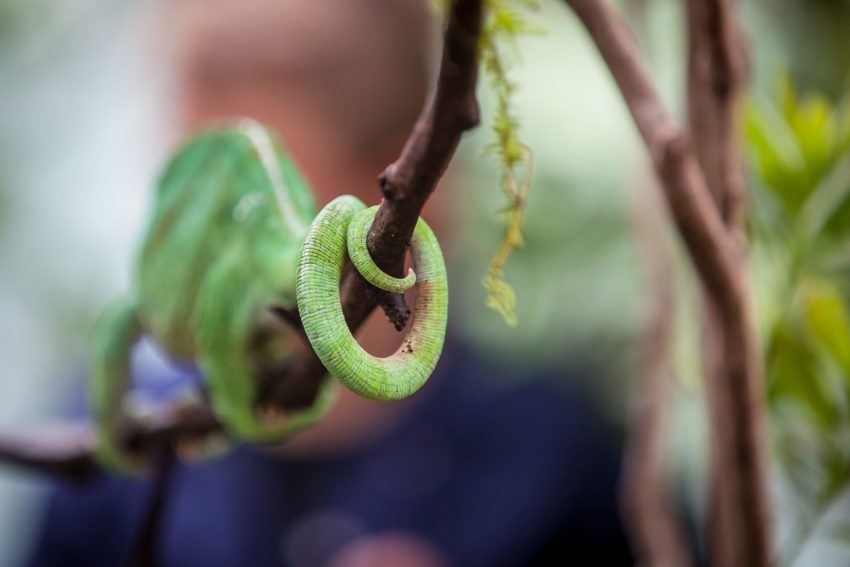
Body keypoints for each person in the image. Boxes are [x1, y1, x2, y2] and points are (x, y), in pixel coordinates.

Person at [28, 1, 632, 565]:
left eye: (239, 208)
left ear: (405, 179)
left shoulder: (546, 456)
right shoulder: (117, 447)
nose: (197, 240)